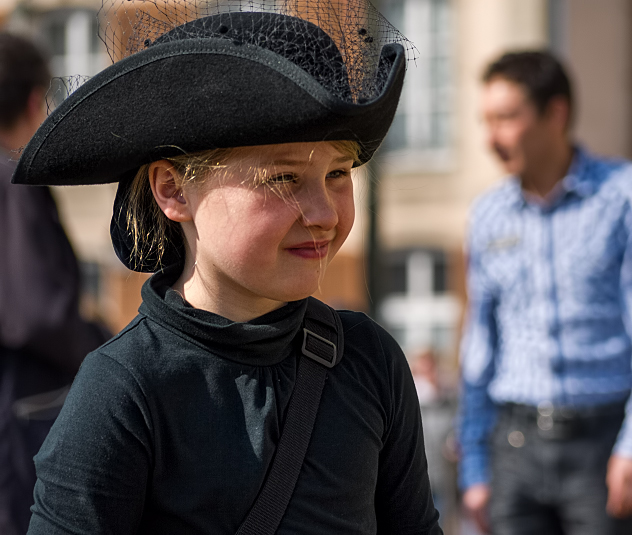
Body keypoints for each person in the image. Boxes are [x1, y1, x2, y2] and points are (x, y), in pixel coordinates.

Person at [12, 2, 441, 533]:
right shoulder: (124, 390)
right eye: (283, 179)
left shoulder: (369, 361)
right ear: (173, 191)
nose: (327, 213)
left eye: (337, 173)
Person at [457, 50, 632, 534]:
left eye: (506, 118)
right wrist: (474, 467)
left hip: (603, 451)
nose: (491, 138)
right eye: (486, 120)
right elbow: (479, 346)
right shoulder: (486, 216)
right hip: (512, 451)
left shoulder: (626, 195)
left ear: (555, 113)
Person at [0, 32, 110, 535]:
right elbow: (39, 311)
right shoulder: (13, 180)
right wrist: (104, 348)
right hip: (17, 415)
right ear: (30, 101)